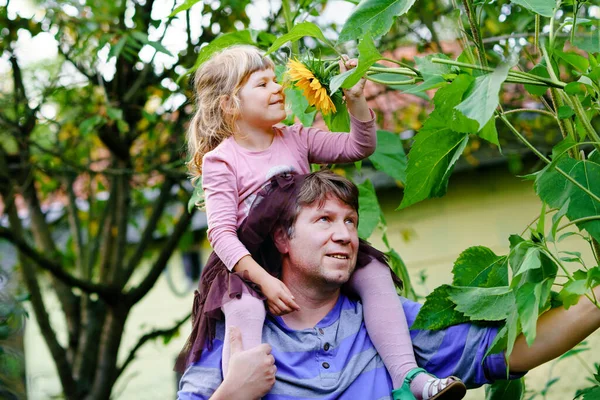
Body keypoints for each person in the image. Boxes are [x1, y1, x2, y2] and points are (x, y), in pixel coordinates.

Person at [177, 45, 463, 399]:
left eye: (275, 80)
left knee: (373, 273)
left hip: (301, 252)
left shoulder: (294, 138)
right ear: (230, 104)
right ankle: (242, 389)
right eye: (262, 84)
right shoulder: (222, 161)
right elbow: (220, 233)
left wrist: (356, 100)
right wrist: (264, 281)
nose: (278, 88)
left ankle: (408, 377)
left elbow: (359, 147)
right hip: (248, 269)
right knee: (245, 310)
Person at [177, 170, 600, 400]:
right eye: (324, 220)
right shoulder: (236, 341)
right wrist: (232, 393)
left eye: (350, 222)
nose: (345, 235)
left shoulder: (387, 324)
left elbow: (507, 351)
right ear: (283, 238)